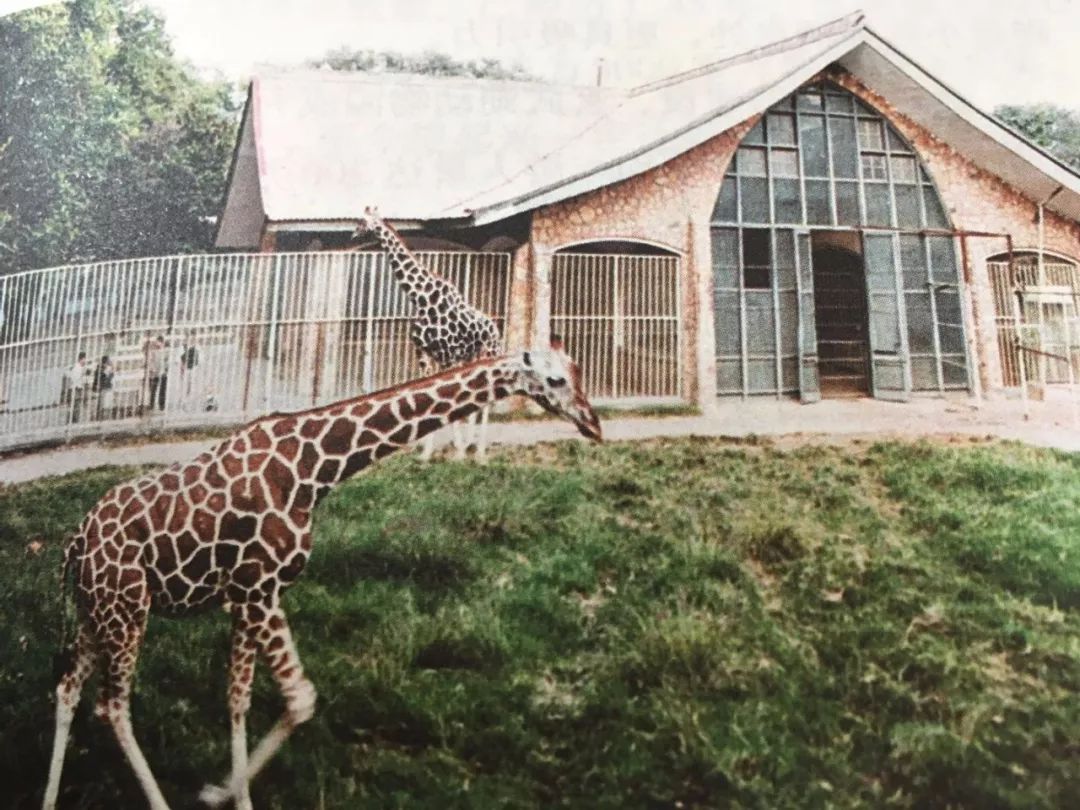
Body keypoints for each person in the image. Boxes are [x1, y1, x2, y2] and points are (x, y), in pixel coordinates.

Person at [65, 351, 91, 423]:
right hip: (75, 388)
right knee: (75, 406)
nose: (86, 361)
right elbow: (75, 379)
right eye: (85, 359)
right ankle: (72, 421)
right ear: (82, 359)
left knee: (76, 406)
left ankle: (72, 421)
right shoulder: (77, 368)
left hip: (77, 388)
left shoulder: (80, 368)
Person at [145, 335, 168, 412]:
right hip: (155, 373)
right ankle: (151, 405)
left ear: (162, 343)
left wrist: (165, 370)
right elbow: (151, 361)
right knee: (153, 390)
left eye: (159, 342)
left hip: (163, 373)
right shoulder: (153, 351)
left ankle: (162, 405)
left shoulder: (165, 352)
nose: (157, 344)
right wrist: (152, 369)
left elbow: (166, 362)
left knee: (162, 390)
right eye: (157, 342)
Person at [93, 354, 115, 420]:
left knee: (104, 404)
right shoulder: (102, 369)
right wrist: (111, 372)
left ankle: (101, 417)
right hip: (104, 388)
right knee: (103, 405)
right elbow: (106, 379)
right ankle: (101, 417)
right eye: (108, 361)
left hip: (105, 388)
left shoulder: (101, 368)